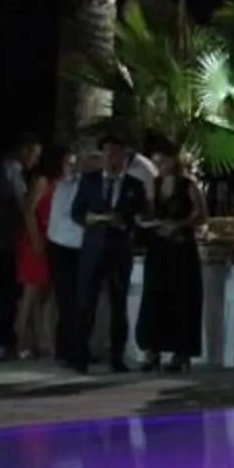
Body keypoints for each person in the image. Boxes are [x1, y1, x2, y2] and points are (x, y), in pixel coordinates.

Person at [64, 133, 144, 372]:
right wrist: (91, 218)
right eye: (107, 154)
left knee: (118, 304)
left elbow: (140, 217)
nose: (111, 159)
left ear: (124, 157)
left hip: (119, 250)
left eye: (116, 154)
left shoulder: (134, 185)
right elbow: (77, 212)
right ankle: (80, 355)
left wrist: (126, 223)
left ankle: (117, 356)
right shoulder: (90, 180)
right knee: (86, 303)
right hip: (93, 248)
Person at [135, 136, 207, 375]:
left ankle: (181, 353)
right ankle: (152, 350)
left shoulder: (188, 185)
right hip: (158, 248)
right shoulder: (154, 184)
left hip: (181, 249)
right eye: (156, 162)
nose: (160, 166)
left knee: (182, 299)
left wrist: (179, 225)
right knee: (154, 297)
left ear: (173, 160)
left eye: (163, 161)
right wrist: (146, 222)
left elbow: (201, 215)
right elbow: (147, 211)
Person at [0, 133, 40, 355]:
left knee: (7, 289)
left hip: (0, 238)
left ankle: (1, 338)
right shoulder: (13, 171)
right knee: (9, 290)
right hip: (7, 240)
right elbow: (22, 205)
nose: (35, 160)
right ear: (24, 151)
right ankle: (1, 338)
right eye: (34, 154)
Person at [14, 145, 61, 359]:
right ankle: (19, 342)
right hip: (36, 239)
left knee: (45, 295)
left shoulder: (56, 182)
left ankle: (43, 342)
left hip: (48, 238)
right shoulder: (42, 180)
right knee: (30, 294)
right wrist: (36, 241)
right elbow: (29, 212)